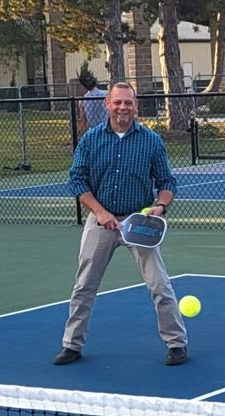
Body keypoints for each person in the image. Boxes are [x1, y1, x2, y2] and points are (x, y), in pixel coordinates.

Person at [55, 82, 188, 367]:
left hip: (139, 223)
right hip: (101, 222)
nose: (123, 108)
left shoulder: (151, 141)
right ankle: (71, 344)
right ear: (107, 105)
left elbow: (167, 182)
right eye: (117, 102)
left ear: (136, 106)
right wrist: (101, 213)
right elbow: (77, 181)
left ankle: (177, 343)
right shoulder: (90, 140)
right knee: (84, 285)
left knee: (159, 285)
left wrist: (160, 207)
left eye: (128, 103)